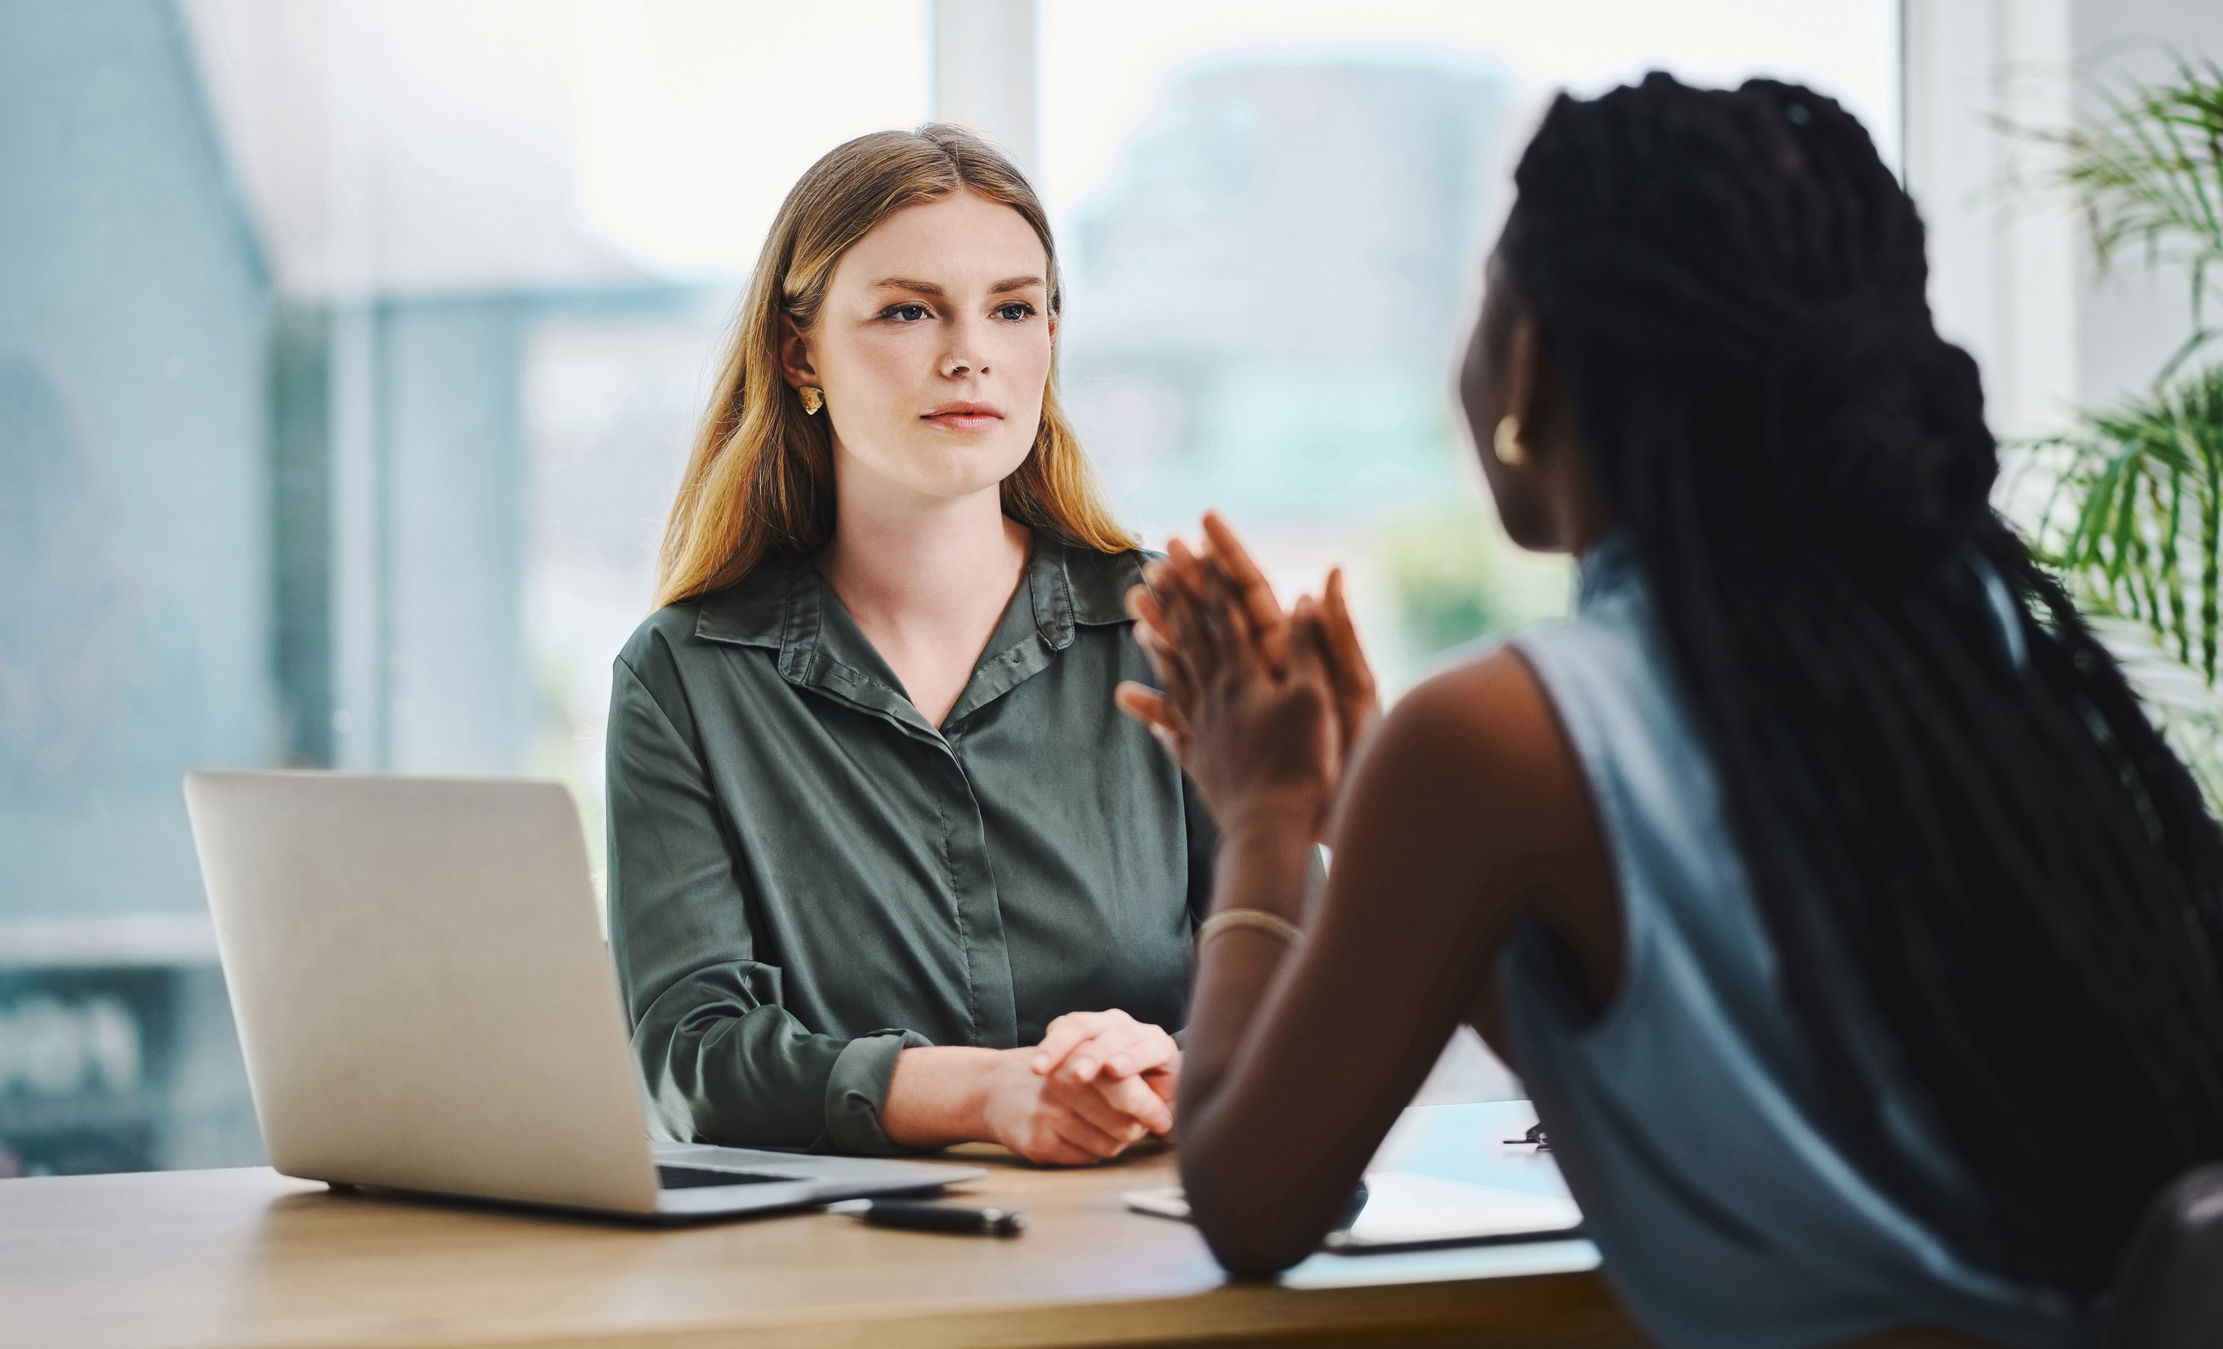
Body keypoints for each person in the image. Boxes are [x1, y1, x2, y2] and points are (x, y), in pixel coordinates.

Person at [1119, 74, 2223, 1348]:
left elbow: (1253, 1201)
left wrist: (1263, 814)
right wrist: (1370, 788)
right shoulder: (1964, 658)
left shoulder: (1504, 733)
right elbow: (1699, 1067)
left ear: (1525, 363)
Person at [606, 125, 1211, 1165]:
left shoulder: (1178, 633)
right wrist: (988, 1091)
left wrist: (1171, 1066)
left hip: (1165, 1246)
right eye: (907, 310)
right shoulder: (683, 679)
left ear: (1050, 340)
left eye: (1012, 308)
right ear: (800, 352)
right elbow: (692, 1056)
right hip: (842, 1288)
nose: (969, 350)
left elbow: (1315, 978)